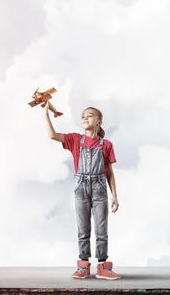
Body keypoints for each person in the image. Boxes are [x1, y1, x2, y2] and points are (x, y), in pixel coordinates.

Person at [42, 101, 121, 280]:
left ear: (99, 121)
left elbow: (109, 172)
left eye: (90, 115)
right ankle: (83, 265)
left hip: (100, 187)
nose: (85, 118)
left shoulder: (106, 144)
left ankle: (103, 266)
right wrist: (46, 114)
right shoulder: (75, 140)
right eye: (83, 116)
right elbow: (52, 135)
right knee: (83, 228)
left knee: (101, 228)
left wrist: (114, 195)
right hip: (81, 188)